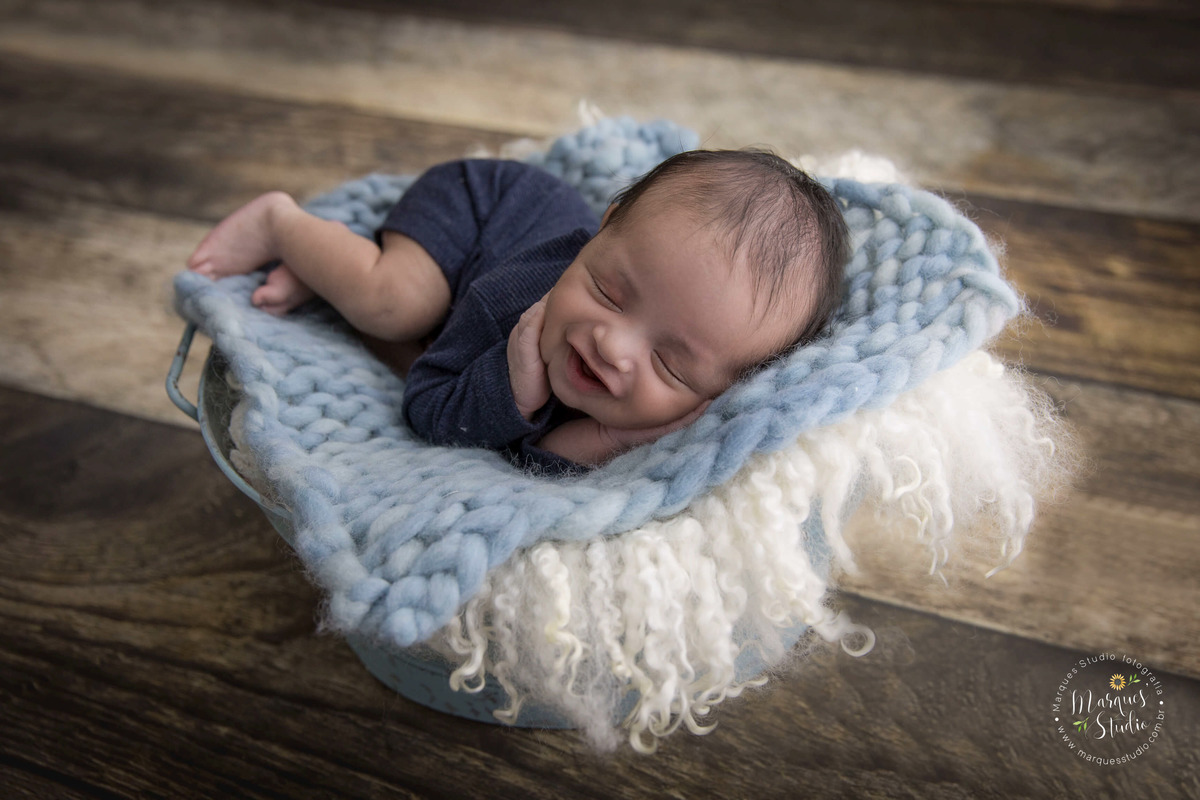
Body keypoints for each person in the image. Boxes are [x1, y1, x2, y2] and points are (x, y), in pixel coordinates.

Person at [187, 151, 849, 473]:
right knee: (396, 308)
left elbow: (531, 471)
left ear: (724, 390)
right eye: (611, 294)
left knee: (410, 342)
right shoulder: (524, 304)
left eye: (672, 366)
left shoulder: (685, 422)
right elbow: (427, 412)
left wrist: (611, 439)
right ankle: (286, 224)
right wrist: (513, 382)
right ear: (603, 231)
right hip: (482, 211)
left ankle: (330, 274)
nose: (613, 347)